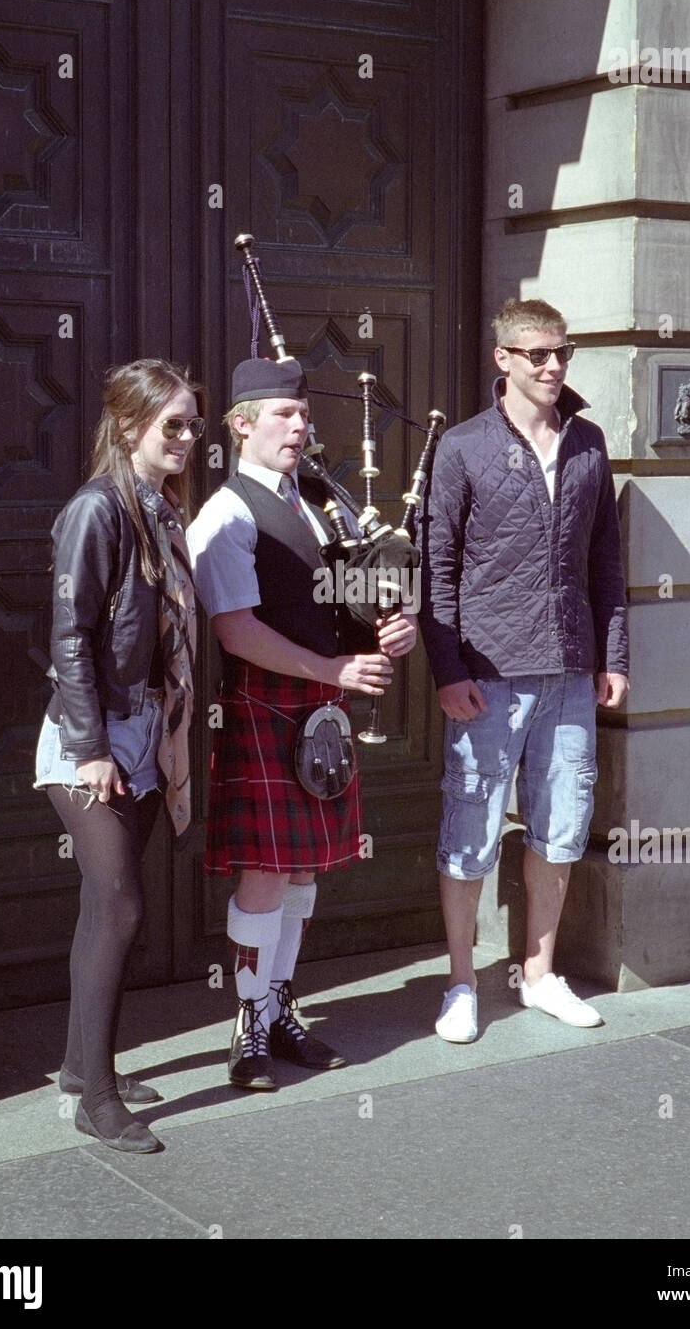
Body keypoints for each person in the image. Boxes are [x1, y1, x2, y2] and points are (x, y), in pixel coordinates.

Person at [186, 356, 416, 1090]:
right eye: (282, 414)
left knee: (303, 870)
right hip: (266, 703)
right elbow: (235, 633)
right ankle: (247, 1026)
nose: (299, 425)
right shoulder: (226, 514)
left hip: (320, 706)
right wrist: (336, 673)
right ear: (242, 425)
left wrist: (394, 626)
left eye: (303, 413)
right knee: (264, 872)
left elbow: (360, 593)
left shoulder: (324, 503)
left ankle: (282, 1009)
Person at [419, 299, 628, 1042]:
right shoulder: (464, 448)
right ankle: (460, 982)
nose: (551, 367)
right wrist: (445, 668)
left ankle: (538, 977)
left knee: (560, 825)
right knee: (469, 827)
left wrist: (614, 657)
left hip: (570, 671)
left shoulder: (588, 444)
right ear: (501, 359)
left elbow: (605, 561)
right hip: (486, 672)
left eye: (561, 354)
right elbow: (434, 567)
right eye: (535, 354)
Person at [34, 359, 203, 1151]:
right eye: (172, 423)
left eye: (192, 424)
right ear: (130, 427)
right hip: (90, 734)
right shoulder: (97, 510)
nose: (186, 437)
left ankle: (81, 1065)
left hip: (140, 731)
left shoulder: (161, 510)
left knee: (106, 907)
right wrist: (92, 746)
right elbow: (68, 634)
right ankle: (96, 1099)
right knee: (123, 902)